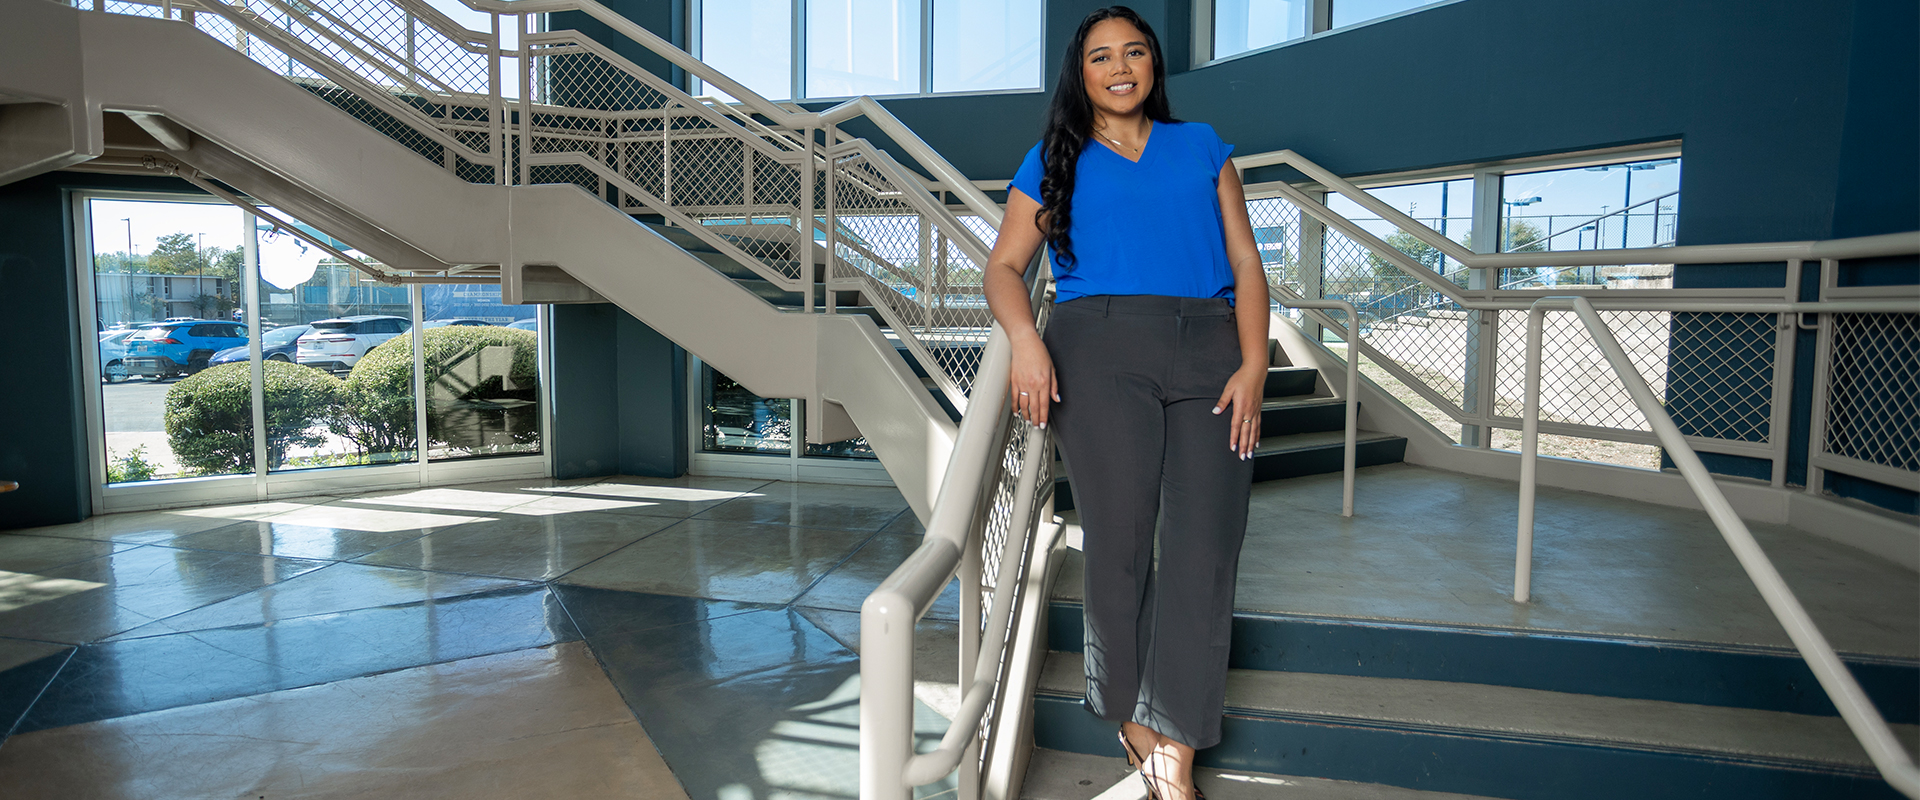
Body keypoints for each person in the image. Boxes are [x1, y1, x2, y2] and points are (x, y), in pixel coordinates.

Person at [980, 7, 1269, 799]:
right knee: (1119, 541)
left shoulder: (1203, 145)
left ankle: (1169, 740)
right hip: (1097, 348)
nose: (1119, 66)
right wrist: (1029, 343)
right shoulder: (1053, 159)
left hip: (1211, 346)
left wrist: (1253, 364)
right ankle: (1142, 730)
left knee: (1205, 547)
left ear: (1152, 65)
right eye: (1101, 55)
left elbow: (1245, 262)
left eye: (1133, 51)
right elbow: (1004, 268)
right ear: (1082, 74)